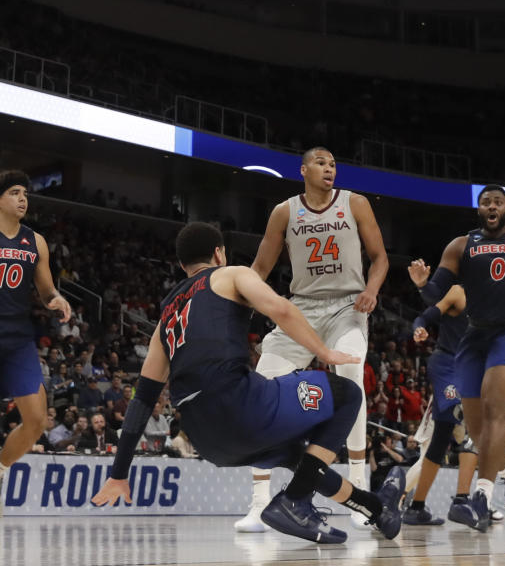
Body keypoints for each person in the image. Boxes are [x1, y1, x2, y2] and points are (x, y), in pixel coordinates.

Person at [91, 222, 403, 544]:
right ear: (218, 252)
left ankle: (376, 508)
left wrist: (119, 473)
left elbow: (143, 399)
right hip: (239, 404)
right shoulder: (229, 274)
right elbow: (281, 308)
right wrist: (323, 351)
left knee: (298, 458)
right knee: (347, 395)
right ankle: (295, 501)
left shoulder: (167, 318)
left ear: (183, 265)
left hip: (207, 440)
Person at [235, 146, 389, 533]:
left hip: (347, 307)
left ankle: (358, 490)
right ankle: (258, 502)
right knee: (263, 385)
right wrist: (238, 302)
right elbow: (261, 267)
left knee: (351, 378)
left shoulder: (355, 203)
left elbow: (380, 257)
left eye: (334, 163)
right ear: (303, 170)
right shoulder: (285, 211)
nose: (329, 168)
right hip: (300, 307)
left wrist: (371, 288)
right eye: (321, 163)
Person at [410, 185, 505, 531]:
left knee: (494, 406)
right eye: (485, 202)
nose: (491, 206)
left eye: (498, 202)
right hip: (475, 335)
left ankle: (481, 494)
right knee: (476, 430)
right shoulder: (461, 245)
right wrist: (421, 284)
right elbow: (437, 294)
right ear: (479, 210)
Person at [0, 170, 72, 514]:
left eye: (25, 193)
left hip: (17, 338)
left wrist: (56, 299)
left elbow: (45, 290)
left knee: (37, 421)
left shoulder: (36, 241)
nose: (23, 198)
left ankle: (0, 470)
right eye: (14, 192)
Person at [397, 279, 484, 527]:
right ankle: (461, 501)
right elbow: (426, 316)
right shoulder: (458, 291)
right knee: (467, 422)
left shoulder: (493, 299)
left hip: (470, 368)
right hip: (447, 365)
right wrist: (419, 328)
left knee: (441, 439)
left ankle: (416, 507)